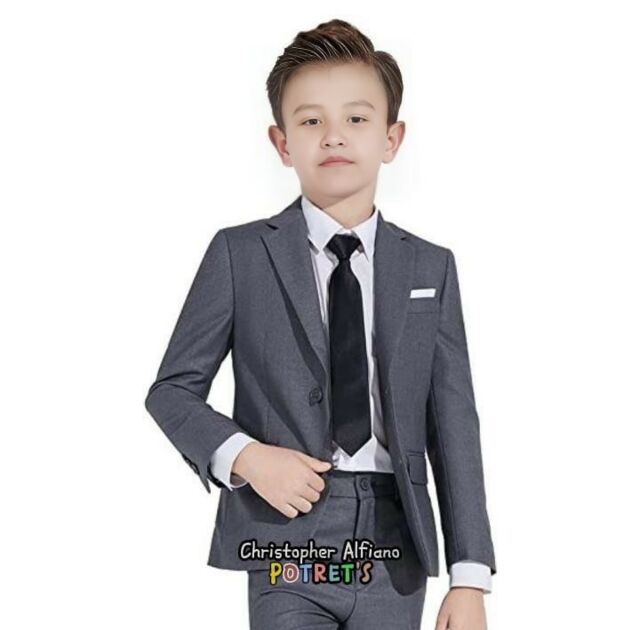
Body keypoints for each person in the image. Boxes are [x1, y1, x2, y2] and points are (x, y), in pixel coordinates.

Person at [145, 18, 496, 630]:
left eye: (356, 118)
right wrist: (248, 458)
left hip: (395, 543)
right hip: (284, 536)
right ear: (282, 143)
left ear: (392, 138)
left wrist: (470, 575)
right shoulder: (240, 255)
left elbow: (453, 423)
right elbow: (172, 391)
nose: (334, 135)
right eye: (311, 122)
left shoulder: (430, 266)